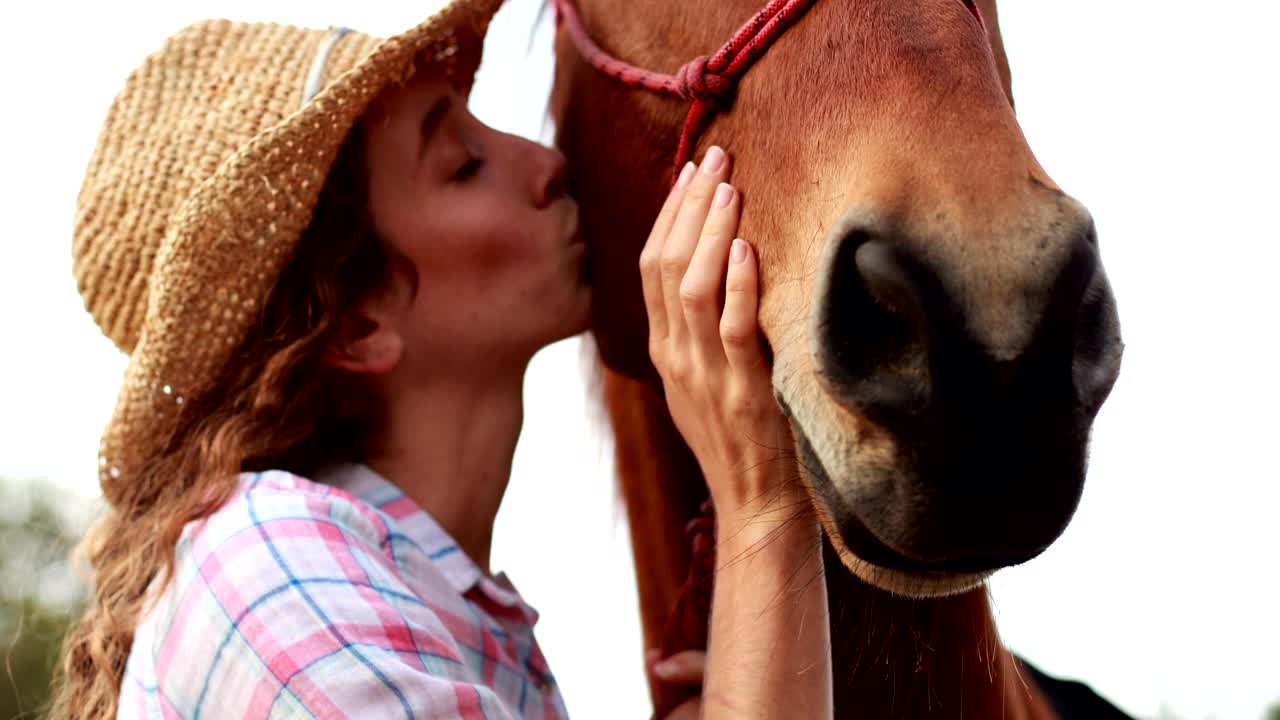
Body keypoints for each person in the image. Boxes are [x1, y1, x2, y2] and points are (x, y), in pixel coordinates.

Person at [53, 1, 832, 718]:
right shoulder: (268, 570)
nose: (543, 159)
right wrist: (761, 500)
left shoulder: (440, 611)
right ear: (356, 323)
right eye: (463, 162)